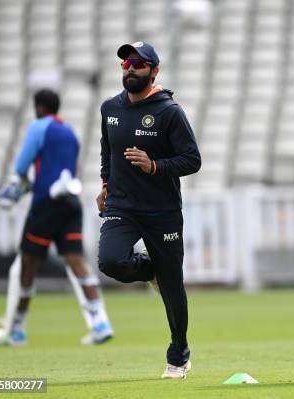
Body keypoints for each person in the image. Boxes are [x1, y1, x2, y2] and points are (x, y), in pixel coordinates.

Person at [96, 41, 201, 379]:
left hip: (162, 211)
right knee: (111, 261)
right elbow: (107, 152)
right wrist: (105, 184)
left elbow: (192, 160)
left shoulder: (169, 111)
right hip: (122, 206)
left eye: (139, 65)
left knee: (172, 287)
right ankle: (148, 271)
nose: (130, 69)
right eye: (126, 64)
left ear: (154, 71)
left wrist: (154, 166)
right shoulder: (109, 108)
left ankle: (178, 355)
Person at [0, 89, 114, 346]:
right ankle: (101, 321)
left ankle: (16, 329)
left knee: (28, 262)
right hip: (70, 203)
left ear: (38, 107)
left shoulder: (39, 127)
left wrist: (14, 190)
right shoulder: (70, 132)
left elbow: (21, 167)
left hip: (46, 204)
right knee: (77, 261)